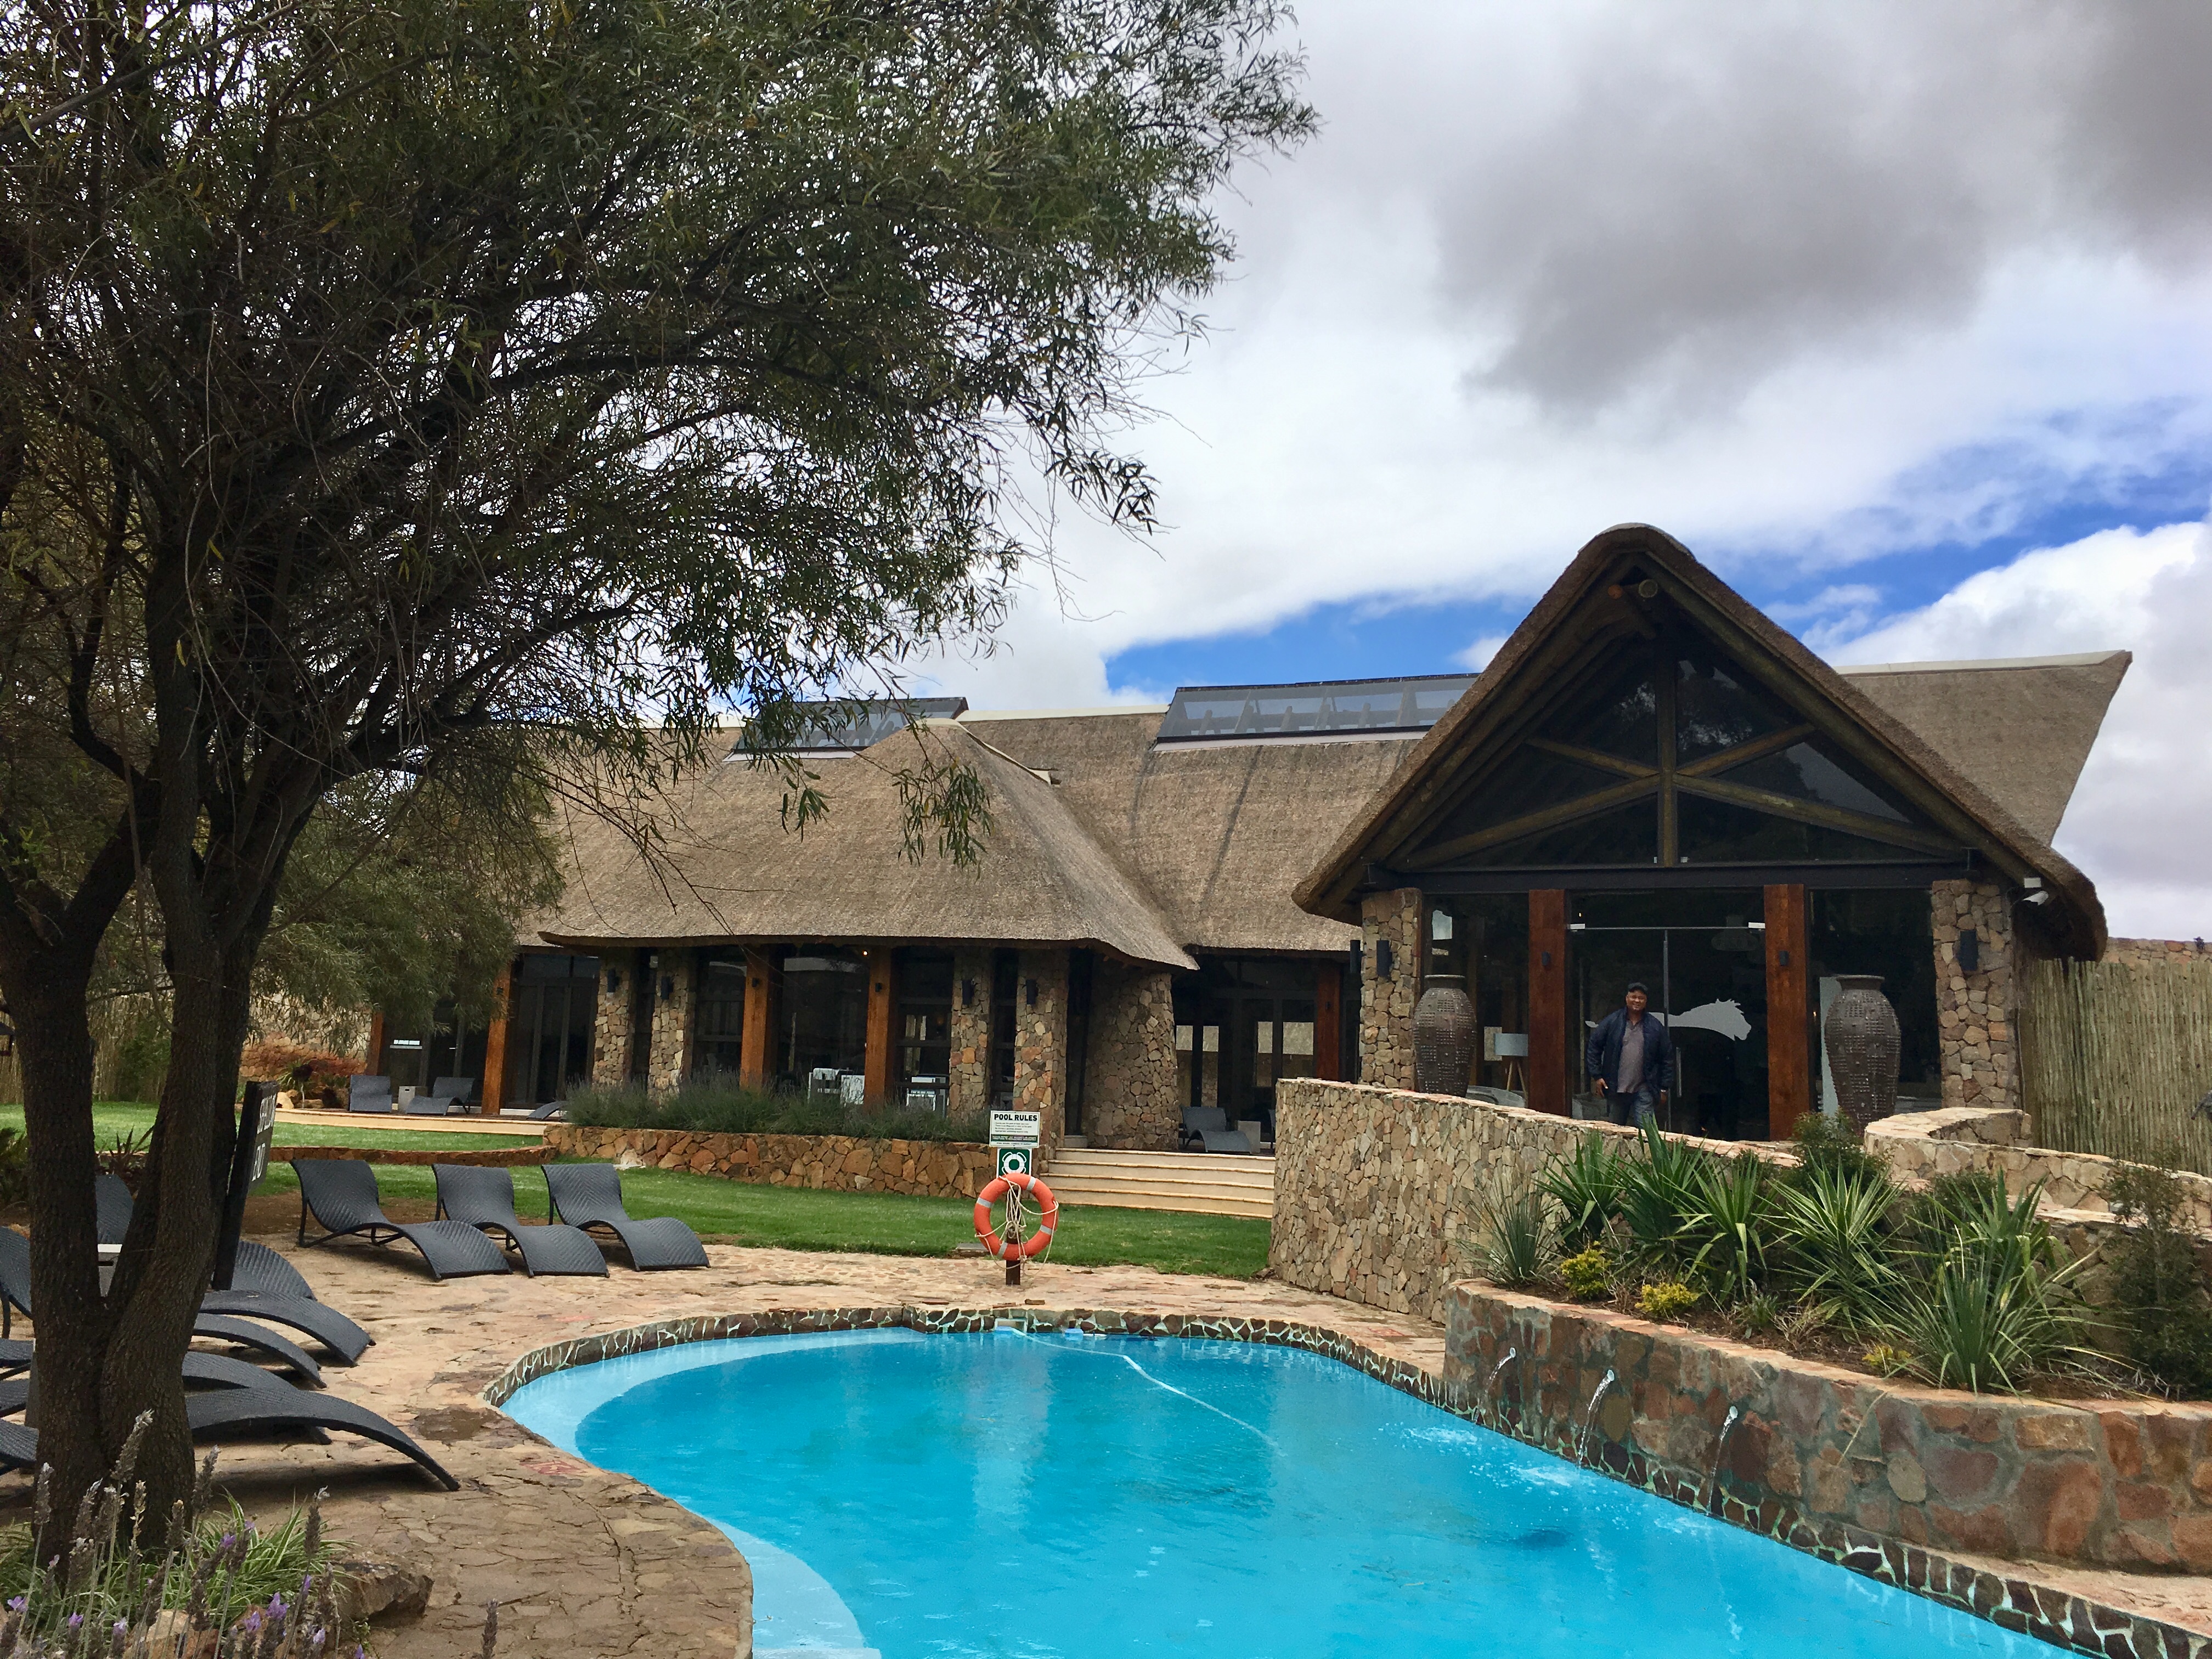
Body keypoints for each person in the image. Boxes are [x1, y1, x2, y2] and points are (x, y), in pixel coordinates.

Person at [1585, 982, 1675, 1128]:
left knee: (1646, 1132)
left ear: (1646, 1001)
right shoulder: (1612, 1022)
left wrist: (1664, 1088)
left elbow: (1667, 1057)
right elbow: (1594, 1046)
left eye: (1641, 998)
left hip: (1645, 1087)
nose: (1637, 1001)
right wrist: (1597, 1076)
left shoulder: (1655, 1027)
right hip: (1617, 1088)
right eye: (1634, 997)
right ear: (1627, 998)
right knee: (1615, 1131)